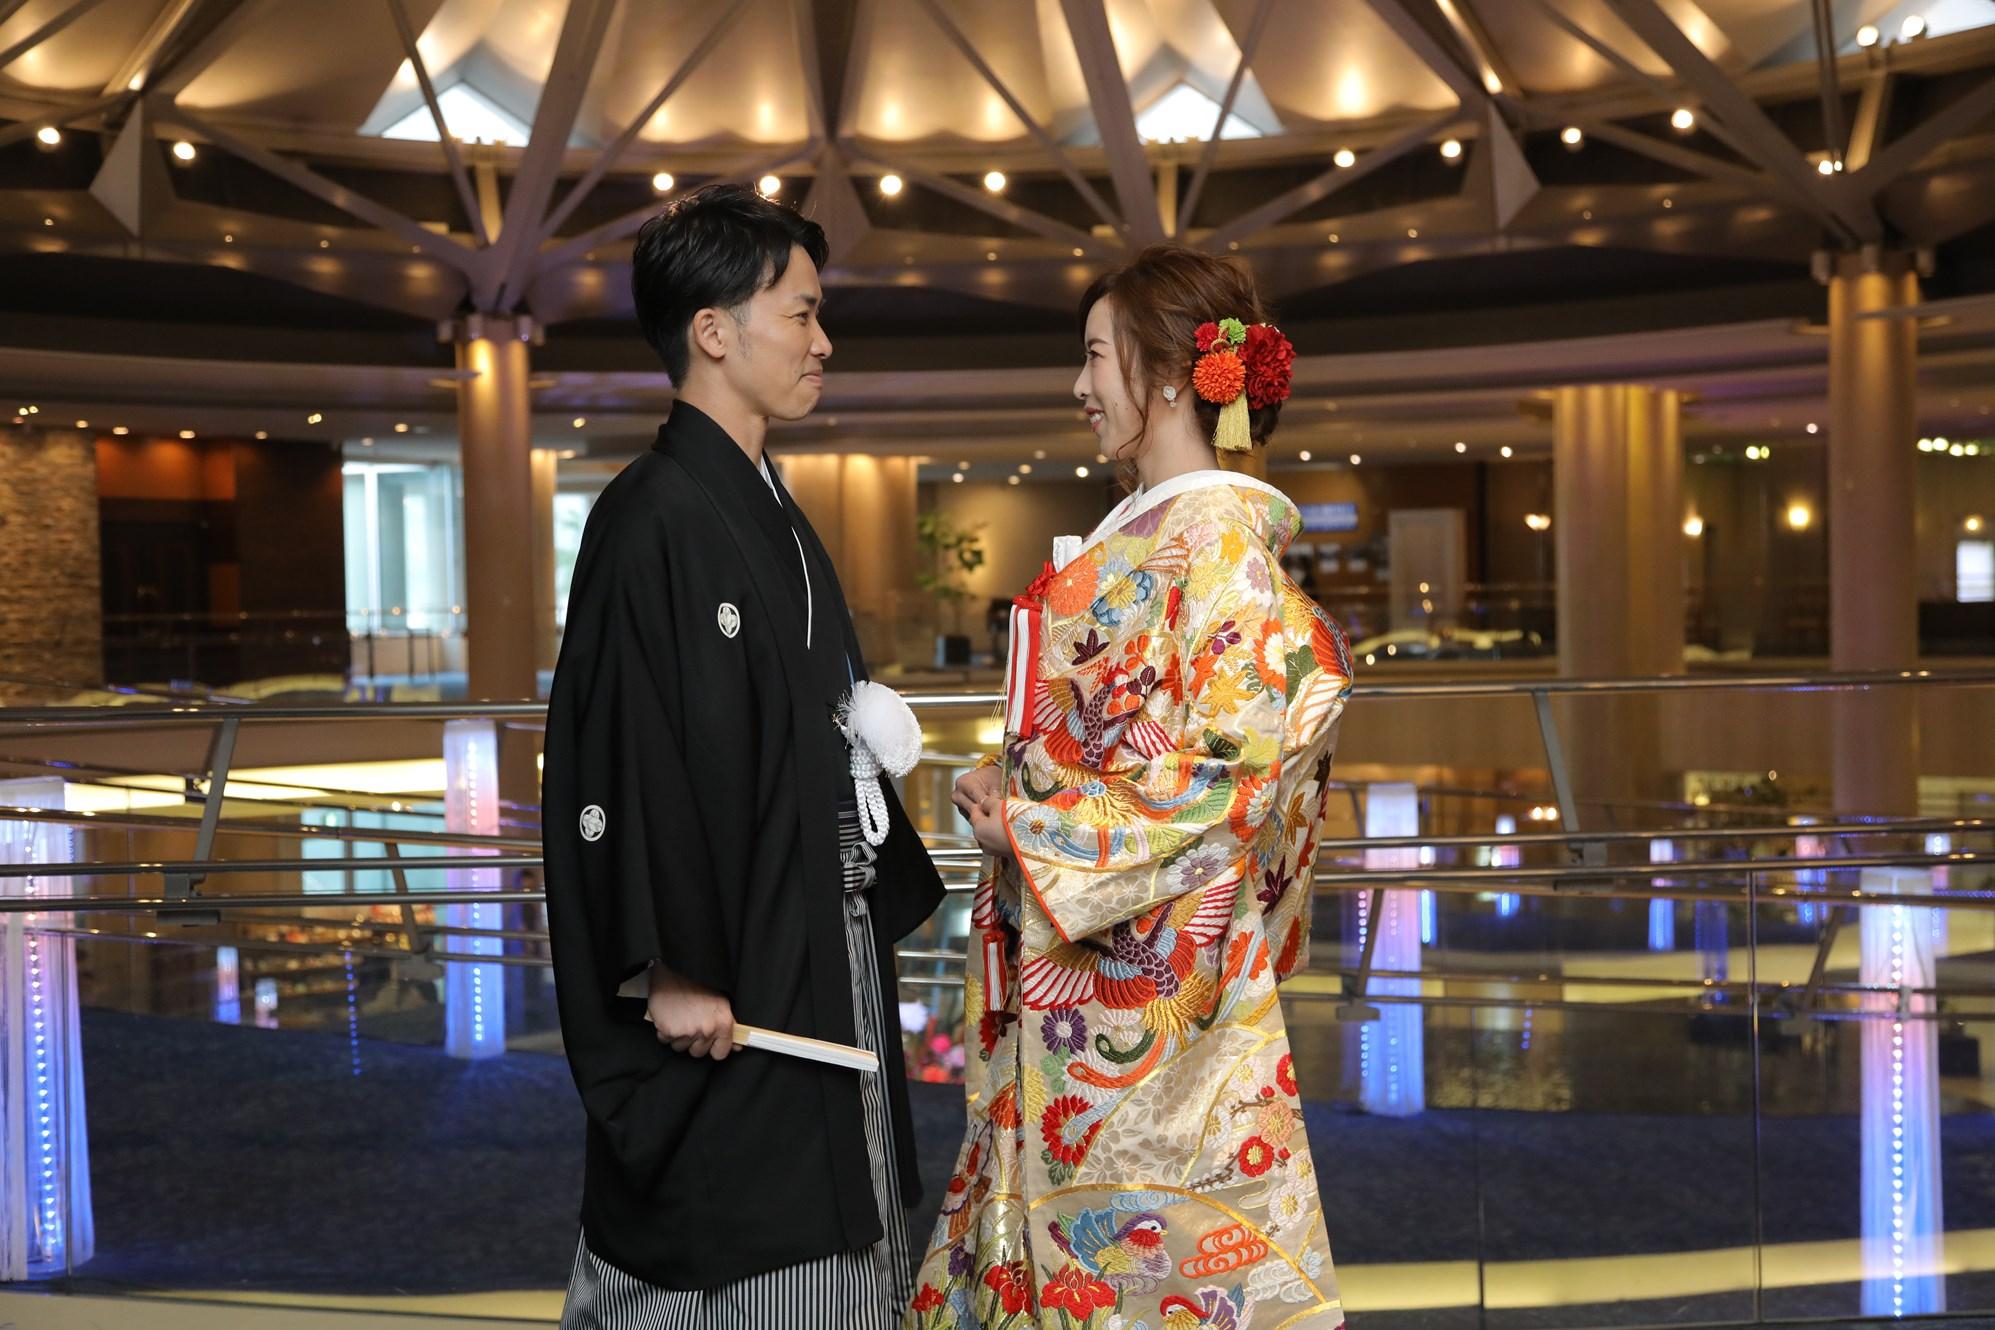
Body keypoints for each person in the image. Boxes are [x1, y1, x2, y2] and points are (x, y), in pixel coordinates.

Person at [906, 245, 1355, 1328]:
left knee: (1138, 1263)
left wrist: (1035, 826)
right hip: (1090, 961)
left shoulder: (1218, 550)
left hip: (1147, 987)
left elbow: (1225, 784)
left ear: (1164, 376)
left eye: (1096, 356)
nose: (1079, 384)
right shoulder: (1160, 534)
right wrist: (1022, 788)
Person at [542, 181, 944, 1329]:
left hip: (809, 921)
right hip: (726, 949)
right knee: (736, 1213)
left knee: (840, 1187)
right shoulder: (650, 514)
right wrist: (668, 963)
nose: (824, 342)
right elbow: (619, 747)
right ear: (713, 331)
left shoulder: (770, 505)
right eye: (801, 314)